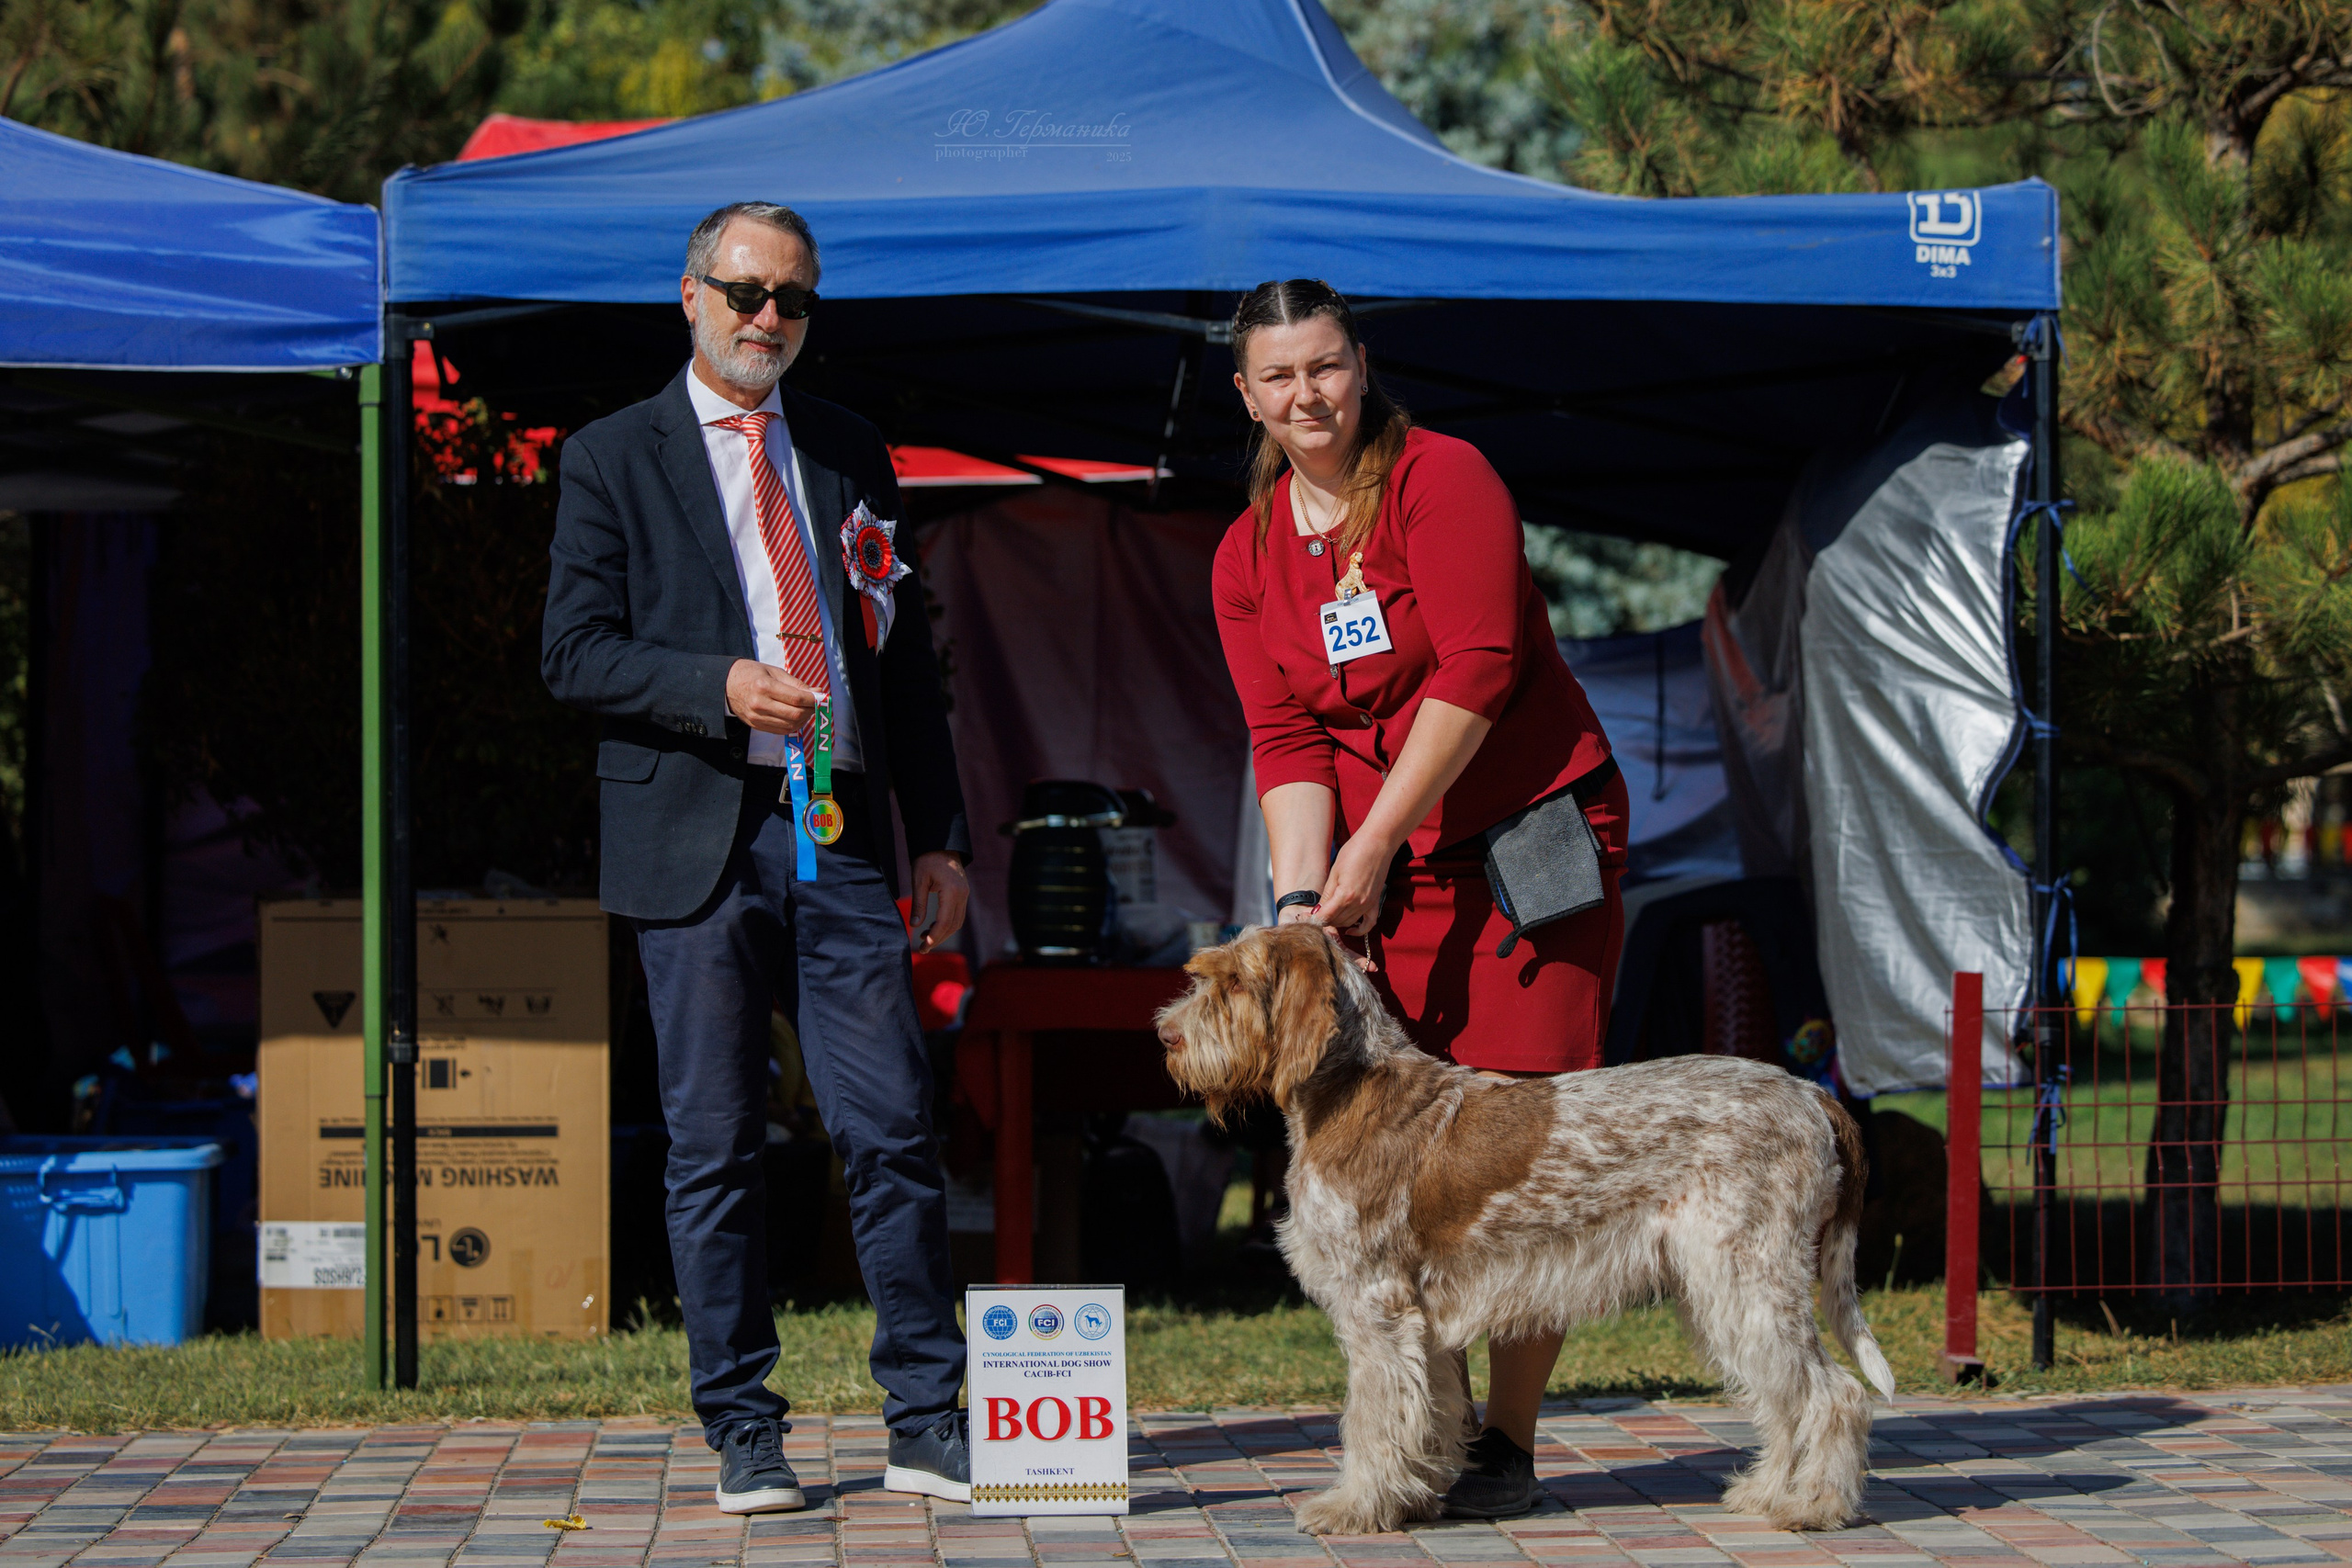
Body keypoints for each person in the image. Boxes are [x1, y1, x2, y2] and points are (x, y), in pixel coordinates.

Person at [543, 201, 974, 1514]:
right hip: (694, 836)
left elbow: (901, 657)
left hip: (838, 824)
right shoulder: (611, 456)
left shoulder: (848, 449)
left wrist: (942, 833)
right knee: (714, 1145)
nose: (768, 318)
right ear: (691, 297)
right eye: (745, 293)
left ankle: (928, 1419)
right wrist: (719, 686)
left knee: (891, 1124)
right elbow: (573, 653)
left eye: (793, 299)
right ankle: (743, 1428)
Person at [1209, 277, 1628, 1519]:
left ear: (1361, 364)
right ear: (1247, 395)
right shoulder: (1245, 552)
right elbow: (1284, 737)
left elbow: (1483, 665)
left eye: (1325, 366)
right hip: (1374, 862)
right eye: (1279, 377)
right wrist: (1303, 898)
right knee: (1401, 1148)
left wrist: (1378, 839)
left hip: (1523, 839)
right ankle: (1425, 1437)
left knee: (1528, 1135)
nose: (1308, 395)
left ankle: (1507, 1438)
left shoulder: (1444, 478)